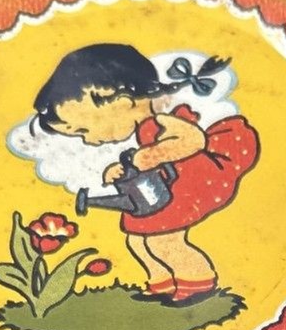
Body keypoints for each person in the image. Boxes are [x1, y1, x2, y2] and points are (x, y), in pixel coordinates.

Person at [31, 43, 259, 304]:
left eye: (84, 129)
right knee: (137, 241)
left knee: (164, 242)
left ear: (122, 103)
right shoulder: (142, 129)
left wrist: (151, 156)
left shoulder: (163, 120)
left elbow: (193, 140)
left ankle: (198, 283)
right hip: (167, 185)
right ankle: (161, 284)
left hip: (198, 175)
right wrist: (119, 171)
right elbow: (137, 162)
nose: (89, 140)